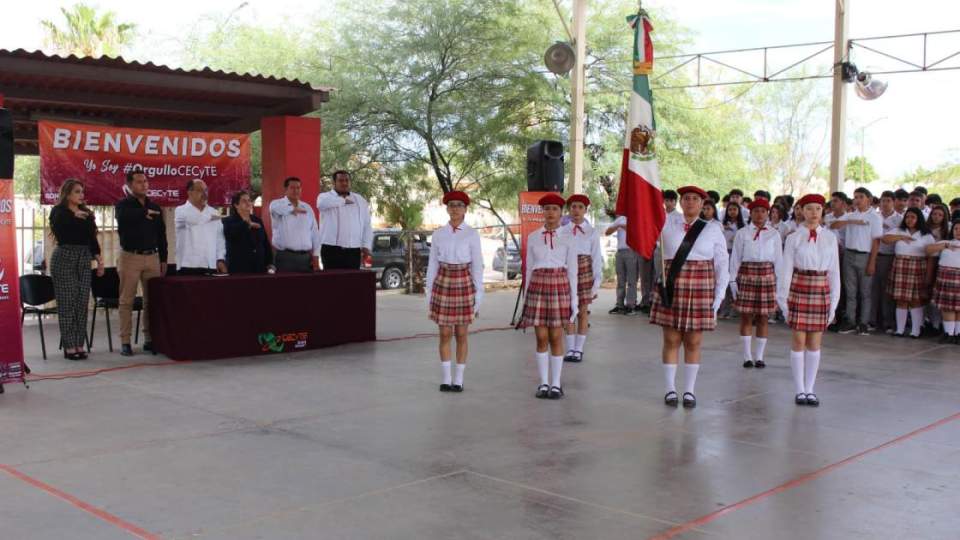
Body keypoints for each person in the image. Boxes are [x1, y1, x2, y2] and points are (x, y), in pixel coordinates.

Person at [650, 186, 729, 409]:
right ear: (681, 202)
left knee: (693, 341)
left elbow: (722, 263)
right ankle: (670, 389)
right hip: (673, 286)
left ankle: (689, 391)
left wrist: (719, 294)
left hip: (700, 288)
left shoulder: (713, 229)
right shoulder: (665, 223)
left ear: (703, 204)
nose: (690, 202)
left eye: (695, 199)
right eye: (686, 199)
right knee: (671, 339)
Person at [777, 194, 840, 407]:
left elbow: (834, 272)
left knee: (815, 342)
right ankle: (799, 390)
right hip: (799, 287)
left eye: (818, 209)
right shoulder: (794, 238)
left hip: (821, 288)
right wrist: (783, 299)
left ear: (823, 212)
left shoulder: (830, 238)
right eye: (809, 209)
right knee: (798, 341)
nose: (814, 213)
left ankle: (810, 389)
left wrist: (834, 302)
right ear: (801, 211)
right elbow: (786, 269)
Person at [519, 193, 578, 400]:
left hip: (560, 285)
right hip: (537, 286)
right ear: (542, 212)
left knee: (556, 336)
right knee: (541, 336)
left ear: (561, 213)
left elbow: (572, 270)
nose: (550, 213)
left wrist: (574, 302)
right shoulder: (533, 236)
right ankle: (543, 383)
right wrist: (527, 296)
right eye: (547, 209)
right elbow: (528, 269)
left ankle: (556, 383)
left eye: (554, 209)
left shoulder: (570, 237)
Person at [425, 191, 484, 392]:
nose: (455, 209)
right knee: (444, 333)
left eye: (459, 205)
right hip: (443, 282)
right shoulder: (439, 234)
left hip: (464, 282)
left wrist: (479, 295)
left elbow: (477, 265)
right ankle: (446, 378)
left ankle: (458, 379)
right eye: (452, 205)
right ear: (447, 209)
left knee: (461, 333)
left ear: (466, 209)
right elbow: (432, 264)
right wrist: (429, 291)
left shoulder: (472, 234)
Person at [49, 179, 104, 360]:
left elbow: (91, 238)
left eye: (82, 191)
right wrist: (74, 217)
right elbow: (60, 229)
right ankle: (69, 345)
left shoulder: (87, 213)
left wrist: (98, 258)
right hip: (64, 256)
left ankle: (79, 344)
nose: (81, 195)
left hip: (83, 257)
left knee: (81, 302)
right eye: (77, 192)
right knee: (67, 302)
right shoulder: (59, 212)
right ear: (67, 194)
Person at [115, 169, 168, 356]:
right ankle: (125, 341)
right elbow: (123, 219)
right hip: (130, 256)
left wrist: (163, 258)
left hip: (152, 257)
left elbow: (161, 235)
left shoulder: (155, 206)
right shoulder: (123, 205)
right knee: (126, 301)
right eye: (139, 182)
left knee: (151, 301)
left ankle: (149, 339)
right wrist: (143, 213)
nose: (144, 185)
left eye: (145, 181)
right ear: (129, 185)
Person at [730, 198, 782, 368]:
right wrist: (732, 279)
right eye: (756, 211)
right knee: (746, 317)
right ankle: (747, 356)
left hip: (767, 276)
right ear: (750, 213)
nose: (759, 214)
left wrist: (780, 283)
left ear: (768, 214)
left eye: (763, 211)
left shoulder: (774, 234)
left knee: (763, 318)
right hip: (746, 274)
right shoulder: (742, 233)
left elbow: (778, 261)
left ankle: (759, 357)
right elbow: (735, 257)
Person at [830, 187, 882, 335]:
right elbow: (833, 225)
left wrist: (872, 262)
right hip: (849, 254)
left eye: (860, 197)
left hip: (865, 255)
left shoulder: (875, 217)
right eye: (855, 197)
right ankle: (850, 320)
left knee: (865, 291)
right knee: (850, 290)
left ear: (869, 199)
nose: (857, 200)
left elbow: (876, 241)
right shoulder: (850, 215)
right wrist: (852, 221)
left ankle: (864, 322)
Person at [561, 195, 603, 362]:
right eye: (573, 207)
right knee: (569, 311)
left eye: (580, 207)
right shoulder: (562, 231)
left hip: (585, 271)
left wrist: (596, 283)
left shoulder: (592, 232)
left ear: (585, 210)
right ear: (569, 210)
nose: (576, 210)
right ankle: (570, 348)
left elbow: (596, 258)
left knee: (583, 311)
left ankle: (579, 349)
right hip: (566, 271)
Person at [882, 208, 935, 338]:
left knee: (916, 300)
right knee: (901, 300)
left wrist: (928, 276)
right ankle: (900, 330)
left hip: (918, 267)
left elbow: (931, 256)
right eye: (907, 217)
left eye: (913, 217)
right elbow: (885, 239)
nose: (909, 220)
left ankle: (916, 331)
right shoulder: (899, 230)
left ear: (919, 219)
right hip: (900, 265)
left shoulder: (926, 235)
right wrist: (901, 236)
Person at [316, 170, 373, 270]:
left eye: (347, 180)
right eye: (341, 180)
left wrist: (366, 245)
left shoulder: (359, 199)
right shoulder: (324, 197)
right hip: (331, 249)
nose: (344, 183)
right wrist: (343, 200)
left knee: (351, 282)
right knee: (332, 282)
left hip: (354, 250)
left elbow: (367, 225)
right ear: (334, 183)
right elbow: (321, 205)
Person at [174, 179, 226, 276]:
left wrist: (220, 258)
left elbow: (220, 239)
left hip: (210, 265)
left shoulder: (213, 212)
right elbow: (194, 220)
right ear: (190, 192)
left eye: (206, 190)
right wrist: (210, 217)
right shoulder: (180, 211)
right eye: (200, 190)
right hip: (188, 265)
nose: (204, 193)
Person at [269, 177, 320, 273]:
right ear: (285, 190)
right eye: (292, 188)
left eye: (298, 188)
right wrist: (292, 210)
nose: (296, 190)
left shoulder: (307, 207)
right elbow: (277, 210)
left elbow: (315, 233)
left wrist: (316, 256)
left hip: (306, 258)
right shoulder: (276, 204)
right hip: (285, 257)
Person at [223, 190, 275, 274]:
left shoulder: (257, 220)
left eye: (249, 200)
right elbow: (231, 236)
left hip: (259, 268)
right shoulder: (228, 221)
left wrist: (270, 263)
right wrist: (247, 224)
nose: (248, 203)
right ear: (236, 205)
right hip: (239, 269)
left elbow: (265, 243)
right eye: (244, 201)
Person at [871, 191, 902, 334]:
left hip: (889, 257)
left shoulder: (900, 220)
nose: (885, 203)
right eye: (883, 200)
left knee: (887, 291)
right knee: (872, 290)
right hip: (873, 255)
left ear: (894, 202)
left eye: (888, 200)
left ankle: (887, 322)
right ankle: (872, 321)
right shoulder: (874, 217)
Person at [926, 220, 960, 343]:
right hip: (946, 276)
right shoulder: (946, 242)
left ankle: (958, 334)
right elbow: (928, 250)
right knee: (947, 308)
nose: (958, 231)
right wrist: (945, 246)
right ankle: (948, 334)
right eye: (956, 229)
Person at [606, 215, 639, 315]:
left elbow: (639, 232)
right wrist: (617, 226)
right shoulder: (620, 219)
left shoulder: (636, 217)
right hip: (620, 252)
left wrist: (625, 227)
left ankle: (631, 306)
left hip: (632, 251)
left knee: (631, 281)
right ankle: (619, 305)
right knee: (620, 280)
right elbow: (607, 232)